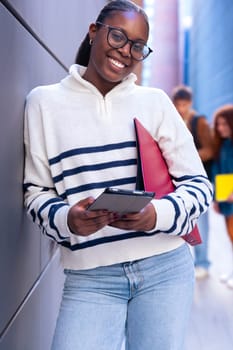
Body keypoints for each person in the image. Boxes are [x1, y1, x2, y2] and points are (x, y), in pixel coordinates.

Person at [23, 1, 213, 349]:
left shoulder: (155, 102)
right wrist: (68, 220)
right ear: (94, 32)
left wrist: (157, 214)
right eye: (118, 36)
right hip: (90, 279)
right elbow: (36, 192)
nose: (125, 51)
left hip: (165, 270)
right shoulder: (43, 103)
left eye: (137, 45)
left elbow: (200, 186)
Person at [171, 85, 214, 279]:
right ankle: (187, 263)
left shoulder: (199, 121)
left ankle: (203, 263)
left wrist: (189, 157)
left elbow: (210, 149)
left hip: (201, 179)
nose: (181, 108)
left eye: (184, 104)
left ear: (190, 103)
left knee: (201, 222)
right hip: (178, 180)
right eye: (178, 104)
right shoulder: (171, 119)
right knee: (179, 221)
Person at [211, 104, 233, 289]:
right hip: (225, 197)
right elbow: (217, 173)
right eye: (218, 124)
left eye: (224, 124)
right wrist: (217, 199)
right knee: (230, 237)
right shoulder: (222, 144)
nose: (220, 128)